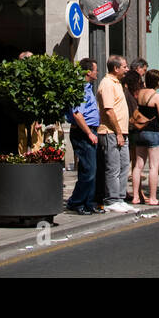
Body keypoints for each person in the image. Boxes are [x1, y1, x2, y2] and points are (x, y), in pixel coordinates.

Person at [65, 58, 103, 215]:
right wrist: (89, 133)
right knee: (89, 170)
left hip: (90, 131)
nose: (97, 72)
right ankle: (76, 202)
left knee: (89, 169)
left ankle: (88, 202)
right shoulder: (80, 89)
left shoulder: (87, 88)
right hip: (83, 132)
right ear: (88, 72)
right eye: (95, 70)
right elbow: (77, 114)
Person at [96, 55, 131, 212]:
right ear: (116, 68)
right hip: (110, 132)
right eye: (124, 66)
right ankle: (111, 199)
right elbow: (109, 111)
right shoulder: (107, 84)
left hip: (122, 132)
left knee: (124, 165)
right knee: (113, 167)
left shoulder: (117, 83)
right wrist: (118, 132)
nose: (127, 69)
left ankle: (120, 197)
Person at [130, 69, 159, 206]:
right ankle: (152, 198)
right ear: (158, 81)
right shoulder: (156, 96)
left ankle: (135, 197)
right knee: (153, 167)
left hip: (140, 132)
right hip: (153, 132)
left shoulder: (140, 93)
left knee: (138, 166)